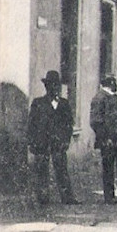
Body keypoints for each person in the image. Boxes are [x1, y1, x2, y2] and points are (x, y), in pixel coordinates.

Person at [27, 70, 78, 205]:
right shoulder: (38, 103)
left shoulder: (64, 104)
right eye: (51, 85)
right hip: (42, 143)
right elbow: (31, 124)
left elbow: (69, 125)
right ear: (47, 87)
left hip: (58, 143)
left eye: (57, 85)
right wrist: (31, 142)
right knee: (42, 170)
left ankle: (67, 197)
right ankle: (42, 198)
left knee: (62, 170)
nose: (55, 88)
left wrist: (66, 140)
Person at [90, 76, 117, 204]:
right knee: (109, 169)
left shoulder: (113, 97)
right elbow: (95, 122)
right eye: (114, 83)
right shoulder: (99, 99)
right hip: (108, 140)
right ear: (109, 84)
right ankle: (109, 197)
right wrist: (105, 137)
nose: (116, 85)